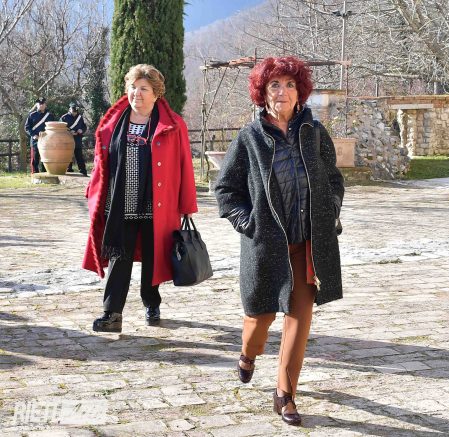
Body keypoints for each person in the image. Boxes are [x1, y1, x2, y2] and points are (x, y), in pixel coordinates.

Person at [214, 56, 344, 426]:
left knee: (299, 322)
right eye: (274, 85)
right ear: (263, 92)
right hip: (267, 247)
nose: (282, 92)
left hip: (307, 246)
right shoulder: (250, 138)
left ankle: (285, 395)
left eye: (289, 85)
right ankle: (248, 353)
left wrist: (331, 208)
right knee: (260, 318)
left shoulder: (314, 133)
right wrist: (248, 222)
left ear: (300, 92)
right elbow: (226, 190)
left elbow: (333, 179)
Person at [83, 64, 197, 333]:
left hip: (157, 204)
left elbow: (185, 165)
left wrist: (187, 204)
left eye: (144, 88)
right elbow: (101, 162)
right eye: (133, 87)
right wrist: (93, 191)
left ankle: (151, 303)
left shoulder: (173, 124)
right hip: (119, 203)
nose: (137, 93)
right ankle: (112, 313)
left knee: (153, 256)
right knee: (118, 257)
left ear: (156, 93)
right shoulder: (113, 123)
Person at [24, 97, 55, 174]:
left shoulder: (50, 115)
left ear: (45, 105)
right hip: (35, 140)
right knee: (35, 159)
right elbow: (27, 128)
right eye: (39, 104)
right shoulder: (32, 115)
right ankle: (35, 174)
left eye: (42, 104)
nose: (41, 105)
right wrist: (33, 135)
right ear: (37, 105)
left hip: (46, 140)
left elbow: (53, 127)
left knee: (46, 158)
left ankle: (46, 173)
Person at [61, 102, 88, 176]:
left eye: (76, 111)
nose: (74, 113)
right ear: (69, 109)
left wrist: (82, 130)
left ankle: (83, 171)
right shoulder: (64, 117)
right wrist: (69, 132)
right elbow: (60, 128)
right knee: (68, 155)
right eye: (73, 111)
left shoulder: (80, 117)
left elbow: (84, 126)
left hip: (77, 139)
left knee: (79, 156)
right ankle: (68, 170)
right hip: (67, 139)